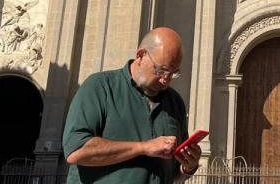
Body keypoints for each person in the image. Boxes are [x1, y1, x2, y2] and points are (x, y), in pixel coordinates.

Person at [64, 27, 202, 184]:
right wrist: (143, 147)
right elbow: (76, 150)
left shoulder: (175, 102)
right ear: (140, 56)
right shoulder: (100, 87)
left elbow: (174, 175)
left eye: (173, 73)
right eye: (161, 70)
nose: (166, 80)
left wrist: (187, 167)